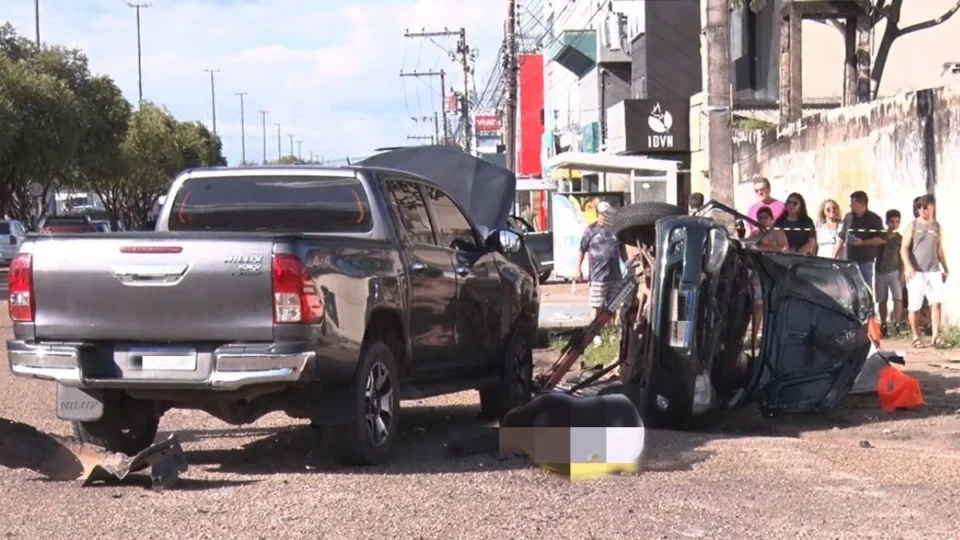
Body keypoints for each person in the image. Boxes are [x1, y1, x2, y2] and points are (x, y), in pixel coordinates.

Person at [901, 194, 949, 348]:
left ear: (932, 207)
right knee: (915, 306)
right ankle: (916, 337)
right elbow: (904, 248)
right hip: (916, 272)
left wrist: (945, 267)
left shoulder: (936, 226)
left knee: (936, 303)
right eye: (920, 207)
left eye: (926, 207)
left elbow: (939, 249)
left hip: (933, 271)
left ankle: (936, 336)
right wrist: (908, 266)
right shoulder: (913, 226)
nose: (923, 210)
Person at [575, 201, 626, 320]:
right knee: (596, 307)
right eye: (603, 214)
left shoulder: (616, 230)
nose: (606, 216)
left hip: (615, 276)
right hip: (598, 277)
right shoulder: (590, 230)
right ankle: (593, 334)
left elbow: (622, 250)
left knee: (613, 307)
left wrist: (629, 265)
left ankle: (611, 334)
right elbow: (581, 250)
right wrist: (577, 269)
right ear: (597, 214)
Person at [746, 206, 788, 341]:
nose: (762, 220)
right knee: (757, 305)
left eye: (765, 217)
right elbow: (747, 246)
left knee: (772, 303)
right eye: (760, 218)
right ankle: (754, 336)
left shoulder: (777, 231)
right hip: (757, 271)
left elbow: (785, 250)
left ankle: (769, 334)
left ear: (771, 219)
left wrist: (770, 246)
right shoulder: (755, 233)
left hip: (773, 271)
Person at [833, 191, 885, 290]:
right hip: (849, 259)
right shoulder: (848, 217)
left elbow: (882, 239)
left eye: (853, 203)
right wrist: (834, 255)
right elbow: (842, 236)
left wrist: (863, 243)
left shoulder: (874, 219)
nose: (850, 205)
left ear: (862, 204)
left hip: (865, 261)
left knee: (865, 288)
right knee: (848, 288)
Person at [874, 209, 904, 336]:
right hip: (881, 270)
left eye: (897, 221)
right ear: (887, 222)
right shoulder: (882, 236)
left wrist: (902, 271)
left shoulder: (900, 239)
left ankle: (897, 324)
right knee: (882, 300)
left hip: (895, 270)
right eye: (891, 221)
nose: (894, 224)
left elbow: (902, 256)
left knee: (898, 298)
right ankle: (884, 324)